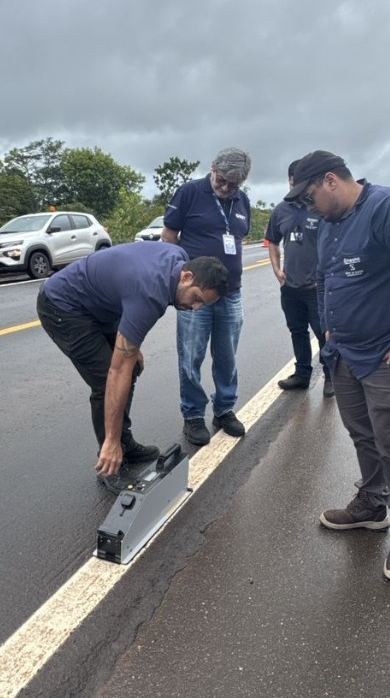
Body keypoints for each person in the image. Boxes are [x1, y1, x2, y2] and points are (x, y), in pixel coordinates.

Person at [285, 150, 390, 583]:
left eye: (309, 194)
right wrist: (329, 331)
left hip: (389, 354)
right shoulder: (331, 224)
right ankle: (373, 503)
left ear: (331, 180)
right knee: (363, 434)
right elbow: (327, 279)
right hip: (346, 352)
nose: (307, 205)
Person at [36, 242, 228, 486]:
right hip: (63, 306)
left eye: (202, 305)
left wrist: (131, 348)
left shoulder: (179, 258)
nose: (194, 308)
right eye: (196, 299)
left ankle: (124, 442)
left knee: (132, 366)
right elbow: (117, 371)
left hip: (101, 306)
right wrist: (111, 440)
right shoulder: (149, 294)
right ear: (187, 277)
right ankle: (109, 458)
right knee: (107, 380)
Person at [161, 148, 252, 447]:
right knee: (191, 355)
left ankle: (224, 409)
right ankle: (193, 414)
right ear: (212, 168)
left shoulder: (242, 200)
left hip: (230, 293)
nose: (225, 188)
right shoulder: (189, 192)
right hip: (195, 292)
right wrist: (180, 279)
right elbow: (169, 238)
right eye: (222, 180)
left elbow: (238, 236)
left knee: (227, 356)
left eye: (233, 185)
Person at [263, 160, 334, 397]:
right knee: (297, 332)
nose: (297, 190)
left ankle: (330, 375)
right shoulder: (281, 210)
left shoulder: (319, 207)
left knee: (323, 332)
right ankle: (302, 374)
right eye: (293, 184)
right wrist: (276, 268)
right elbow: (272, 240)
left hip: (316, 287)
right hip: (290, 286)